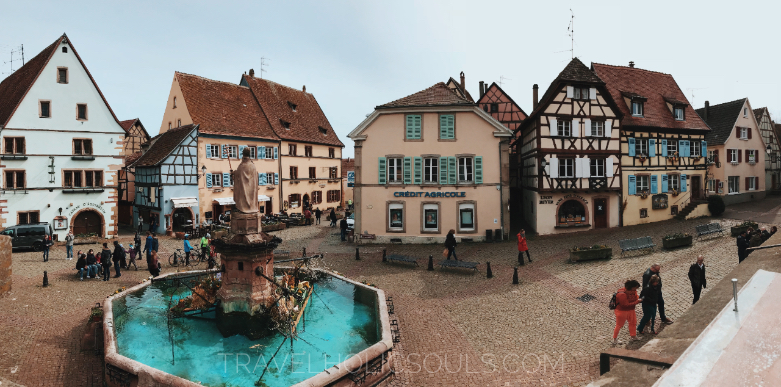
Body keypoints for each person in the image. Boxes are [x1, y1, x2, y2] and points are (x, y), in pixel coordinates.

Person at [613, 279, 642, 344]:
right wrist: (637, 302)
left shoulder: (633, 291)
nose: (635, 290)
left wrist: (638, 298)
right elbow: (625, 305)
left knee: (633, 322)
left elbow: (636, 296)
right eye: (635, 288)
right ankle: (615, 339)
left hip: (631, 310)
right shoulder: (621, 294)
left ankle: (633, 336)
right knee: (619, 325)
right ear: (630, 288)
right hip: (621, 311)